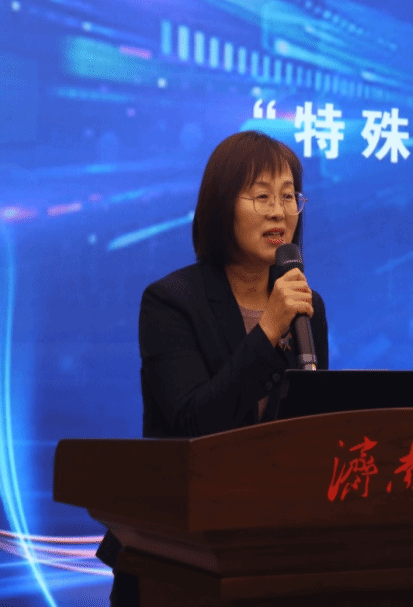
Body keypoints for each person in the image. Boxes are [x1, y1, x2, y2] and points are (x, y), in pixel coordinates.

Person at [96, 131, 329, 605]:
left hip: (273, 551)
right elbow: (193, 424)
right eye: (261, 196)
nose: (279, 211)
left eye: (288, 196)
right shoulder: (170, 302)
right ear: (223, 206)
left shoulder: (307, 304)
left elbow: (309, 431)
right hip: (177, 553)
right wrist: (268, 331)